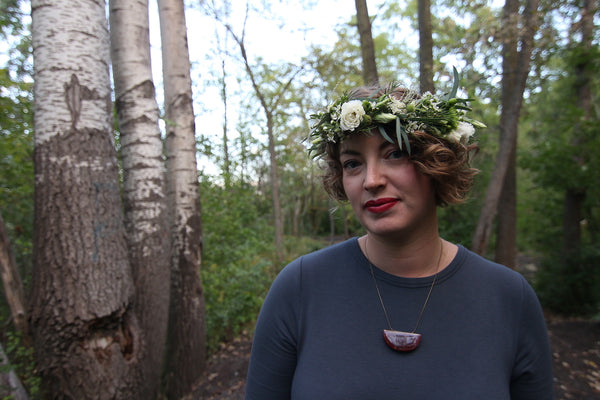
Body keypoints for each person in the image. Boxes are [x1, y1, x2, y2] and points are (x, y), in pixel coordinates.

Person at [244, 77, 554, 399]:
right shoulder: (300, 287)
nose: (372, 180)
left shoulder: (508, 297)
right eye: (353, 163)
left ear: (436, 161)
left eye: (393, 154)